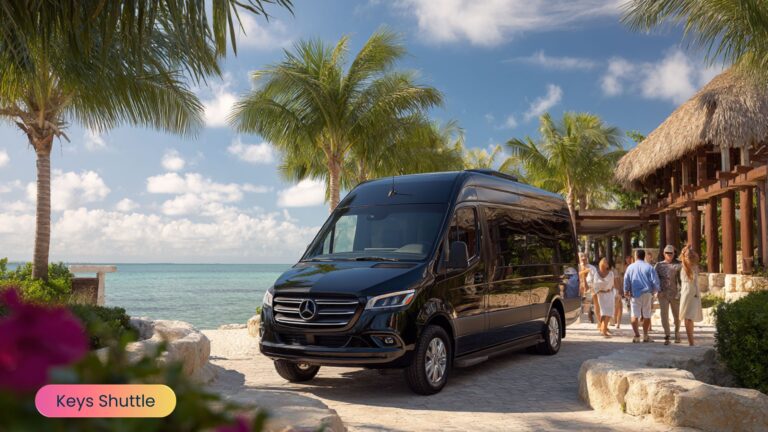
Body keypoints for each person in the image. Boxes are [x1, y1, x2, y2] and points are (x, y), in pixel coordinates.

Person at [623, 249, 660, 343]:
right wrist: (656, 290)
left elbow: (626, 280)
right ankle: (645, 335)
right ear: (644, 256)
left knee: (634, 315)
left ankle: (636, 335)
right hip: (647, 293)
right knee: (647, 314)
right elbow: (655, 280)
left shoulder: (630, 267)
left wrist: (626, 290)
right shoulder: (649, 267)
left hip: (635, 294)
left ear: (636, 256)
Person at [654, 245, 682, 345]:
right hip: (663, 294)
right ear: (664, 254)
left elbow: (681, 280)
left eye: (671, 253)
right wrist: (657, 291)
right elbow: (655, 279)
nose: (669, 255)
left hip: (675, 294)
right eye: (667, 253)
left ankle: (677, 333)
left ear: (674, 254)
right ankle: (667, 334)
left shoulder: (679, 265)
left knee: (677, 315)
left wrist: (680, 292)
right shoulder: (659, 265)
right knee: (664, 315)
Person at [679, 244, 703, 346]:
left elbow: (696, 257)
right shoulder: (685, 267)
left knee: (689, 318)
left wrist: (687, 250)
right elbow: (692, 257)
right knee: (688, 317)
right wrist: (686, 251)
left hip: (692, 294)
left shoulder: (693, 267)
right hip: (688, 294)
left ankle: (691, 340)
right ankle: (691, 341)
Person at [589, 258, 615, 337]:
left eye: (606, 262)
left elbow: (611, 284)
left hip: (609, 294)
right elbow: (596, 286)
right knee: (604, 313)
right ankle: (603, 330)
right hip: (601, 295)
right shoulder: (597, 274)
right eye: (605, 263)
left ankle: (603, 328)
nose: (607, 264)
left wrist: (604, 287)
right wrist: (602, 288)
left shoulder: (611, 273)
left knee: (609, 313)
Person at [578, 252, 598, 324]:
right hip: (579, 287)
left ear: (587, 259)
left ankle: (590, 313)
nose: (583, 260)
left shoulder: (592, 268)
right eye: (582, 259)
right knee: (580, 303)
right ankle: (578, 318)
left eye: (585, 259)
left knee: (589, 303)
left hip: (590, 287)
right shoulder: (578, 267)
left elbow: (595, 278)